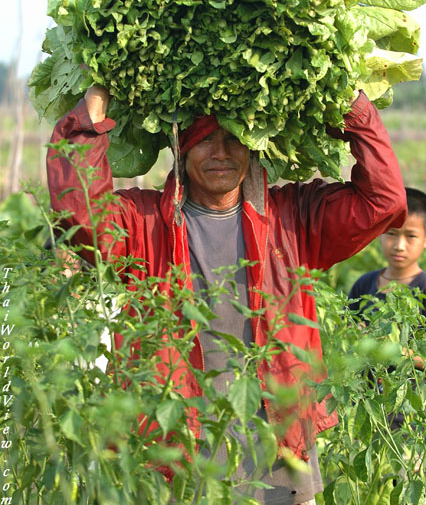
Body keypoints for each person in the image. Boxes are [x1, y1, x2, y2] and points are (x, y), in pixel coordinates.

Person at [47, 85, 406, 505]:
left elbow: (383, 201)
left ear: (254, 148)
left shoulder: (293, 218)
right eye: (204, 141)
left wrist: (350, 104)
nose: (220, 153)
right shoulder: (144, 223)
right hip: (177, 447)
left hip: (278, 446)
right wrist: (93, 109)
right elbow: (80, 215)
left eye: (234, 138)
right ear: (181, 150)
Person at [348, 187, 426, 318]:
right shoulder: (364, 284)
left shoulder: (423, 288)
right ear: (379, 233)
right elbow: (346, 330)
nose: (399, 246)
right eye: (391, 233)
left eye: (411, 236)